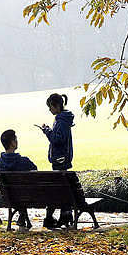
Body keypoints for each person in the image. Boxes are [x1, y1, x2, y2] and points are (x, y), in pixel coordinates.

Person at [40, 93, 75, 228]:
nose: (49, 110)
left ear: (57, 106)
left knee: (59, 188)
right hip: (62, 159)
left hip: (60, 159)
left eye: (50, 107)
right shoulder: (62, 119)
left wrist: (47, 131)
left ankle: (59, 216)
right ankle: (64, 215)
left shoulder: (61, 121)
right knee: (61, 187)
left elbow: (58, 139)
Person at [0, 129, 36, 228]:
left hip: (10, 197)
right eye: (16, 140)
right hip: (28, 196)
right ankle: (22, 215)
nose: (17, 141)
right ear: (13, 143)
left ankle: (22, 215)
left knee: (18, 192)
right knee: (23, 191)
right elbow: (35, 171)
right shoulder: (24, 161)